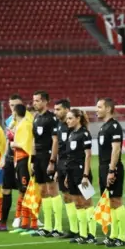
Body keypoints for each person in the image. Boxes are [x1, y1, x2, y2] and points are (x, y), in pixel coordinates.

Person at [96, 98, 125, 246]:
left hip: (112, 168)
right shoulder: (104, 127)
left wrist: (112, 170)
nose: (97, 110)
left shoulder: (114, 126)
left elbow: (116, 149)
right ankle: (113, 235)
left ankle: (121, 237)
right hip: (103, 168)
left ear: (108, 109)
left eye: (99, 107)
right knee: (109, 202)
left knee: (116, 201)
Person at [63, 109, 94, 244]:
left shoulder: (84, 134)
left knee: (87, 202)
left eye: (70, 118)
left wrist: (86, 175)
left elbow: (88, 155)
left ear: (77, 119)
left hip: (82, 172)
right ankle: (82, 234)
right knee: (77, 203)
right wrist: (66, 175)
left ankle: (91, 234)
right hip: (71, 172)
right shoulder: (71, 134)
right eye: (67, 118)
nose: (67, 121)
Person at [31, 91, 60, 237]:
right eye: (34, 100)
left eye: (37, 100)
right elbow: (34, 141)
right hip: (38, 158)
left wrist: (52, 161)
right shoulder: (36, 118)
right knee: (42, 191)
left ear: (44, 102)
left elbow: (55, 141)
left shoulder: (52, 119)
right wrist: (32, 160)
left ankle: (58, 226)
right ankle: (47, 226)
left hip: (48, 156)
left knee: (52, 190)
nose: (34, 103)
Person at [9, 104, 35, 234]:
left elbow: (26, 143)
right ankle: (24, 221)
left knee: (26, 190)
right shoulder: (19, 124)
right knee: (22, 190)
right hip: (18, 160)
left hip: (24, 159)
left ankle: (29, 222)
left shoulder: (25, 125)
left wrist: (13, 144)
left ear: (15, 112)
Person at [53, 99, 76, 239]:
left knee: (81, 197)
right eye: (55, 109)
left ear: (67, 109)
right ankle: (74, 229)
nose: (56, 112)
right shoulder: (59, 125)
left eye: (58, 109)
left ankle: (87, 229)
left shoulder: (74, 127)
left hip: (73, 165)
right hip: (61, 164)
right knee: (66, 196)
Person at [1, 94, 23, 229]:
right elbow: (7, 141)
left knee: (23, 189)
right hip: (10, 158)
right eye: (11, 105)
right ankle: (3, 221)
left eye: (15, 105)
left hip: (21, 158)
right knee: (6, 189)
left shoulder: (26, 120)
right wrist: (3, 157)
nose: (13, 107)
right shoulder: (9, 120)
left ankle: (20, 216)